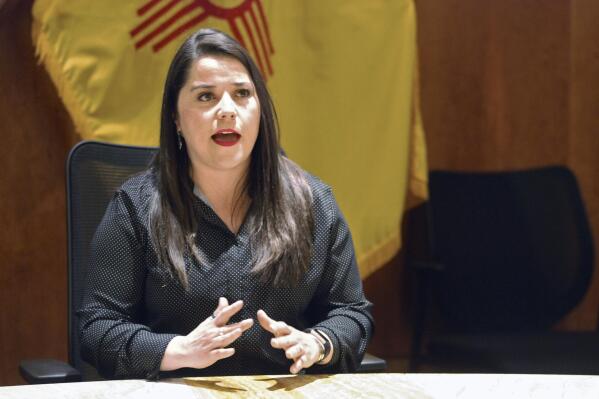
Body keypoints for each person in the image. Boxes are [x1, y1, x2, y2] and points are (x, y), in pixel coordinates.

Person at [78, 28, 373, 380]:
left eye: (242, 94)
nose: (228, 110)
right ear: (176, 118)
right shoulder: (135, 207)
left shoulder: (314, 203)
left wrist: (318, 344)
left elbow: (351, 313)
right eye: (206, 97)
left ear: (260, 109)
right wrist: (176, 351)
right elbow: (98, 329)